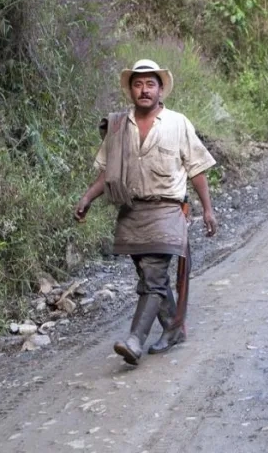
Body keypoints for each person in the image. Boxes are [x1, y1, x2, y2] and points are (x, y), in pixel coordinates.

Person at [74, 59, 218, 365]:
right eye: (137, 84)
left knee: (153, 277)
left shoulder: (178, 123)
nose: (144, 90)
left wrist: (207, 209)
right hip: (131, 211)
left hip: (167, 210)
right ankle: (173, 328)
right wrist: (87, 198)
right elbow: (106, 172)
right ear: (130, 90)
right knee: (150, 275)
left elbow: (197, 169)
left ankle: (135, 340)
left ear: (161, 89)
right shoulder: (117, 126)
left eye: (150, 84)